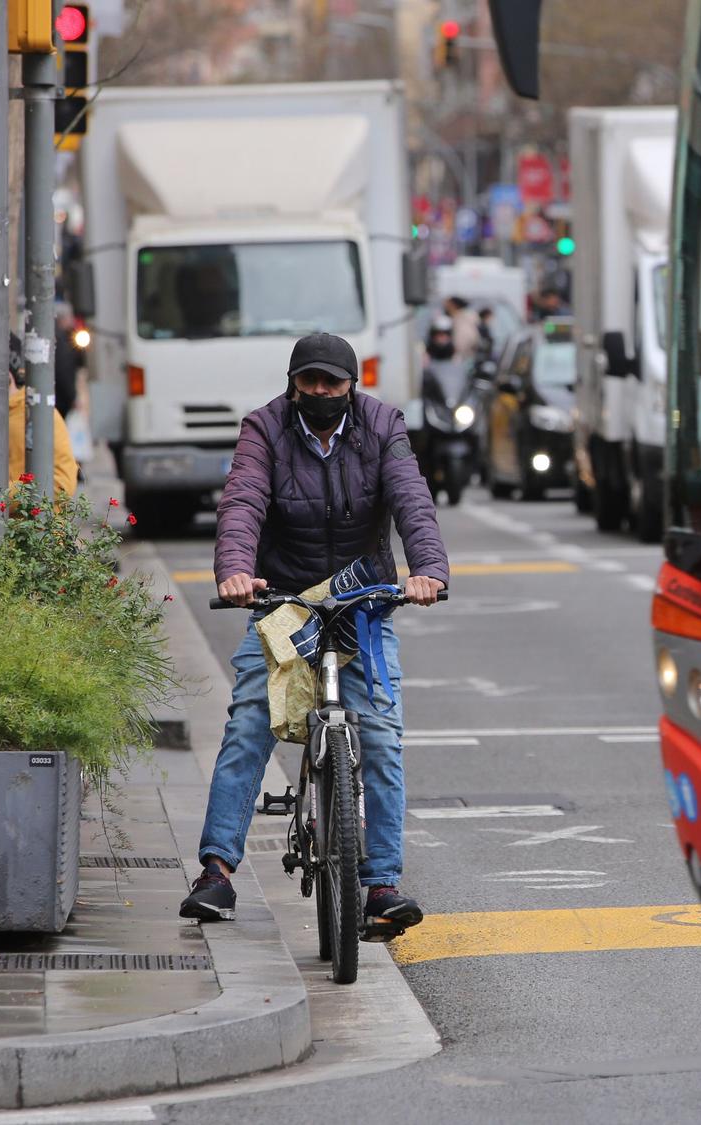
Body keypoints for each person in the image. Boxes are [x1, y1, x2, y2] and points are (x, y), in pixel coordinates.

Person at [180, 332, 448, 938]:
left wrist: (428, 569)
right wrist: (235, 573)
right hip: (285, 605)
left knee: (379, 737)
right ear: (292, 383)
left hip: (362, 604)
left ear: (352, 385)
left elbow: (412, 500)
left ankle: (381, 885)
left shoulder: (383, 425)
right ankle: (216, 871)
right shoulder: (264, 429)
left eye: (333, 383)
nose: (322, 393)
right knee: (249, 724)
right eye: (310, 382)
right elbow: (242, 502)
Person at [6, 334, 79, 496]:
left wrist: (1, 496)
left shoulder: (39, 416)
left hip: (32, 520)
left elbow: (62, 484)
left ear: (8, 376)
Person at [444, 296, 481, 360]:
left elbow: (460, 344)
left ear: (453, 305)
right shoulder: (463, 318)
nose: (445, 307)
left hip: (462, 359)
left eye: (447, 305)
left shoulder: (462, 320)